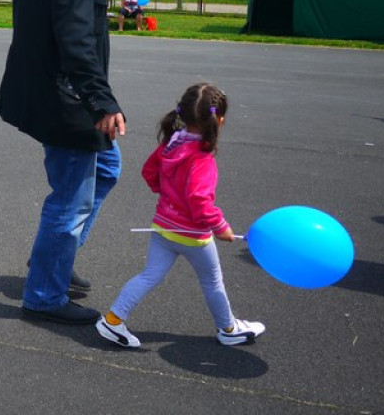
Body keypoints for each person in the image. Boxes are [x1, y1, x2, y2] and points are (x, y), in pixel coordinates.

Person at [0, 0, 131, 326]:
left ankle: (54, 259)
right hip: (67, 97)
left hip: (50, 90)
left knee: (107, 169)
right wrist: (102, 101)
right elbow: (76, 39)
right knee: (71, 198)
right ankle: (45, 294)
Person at [96, 83, 266, 348]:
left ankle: (113, 320)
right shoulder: (202, 158)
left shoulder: (171, 144)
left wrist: (167, 196)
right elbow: (199, 199)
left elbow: (149, 172)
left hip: (163, 228)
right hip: (192, 236)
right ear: (219, 120)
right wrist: (220, 227)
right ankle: (228, 328)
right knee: (212, 280)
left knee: (149, 275)